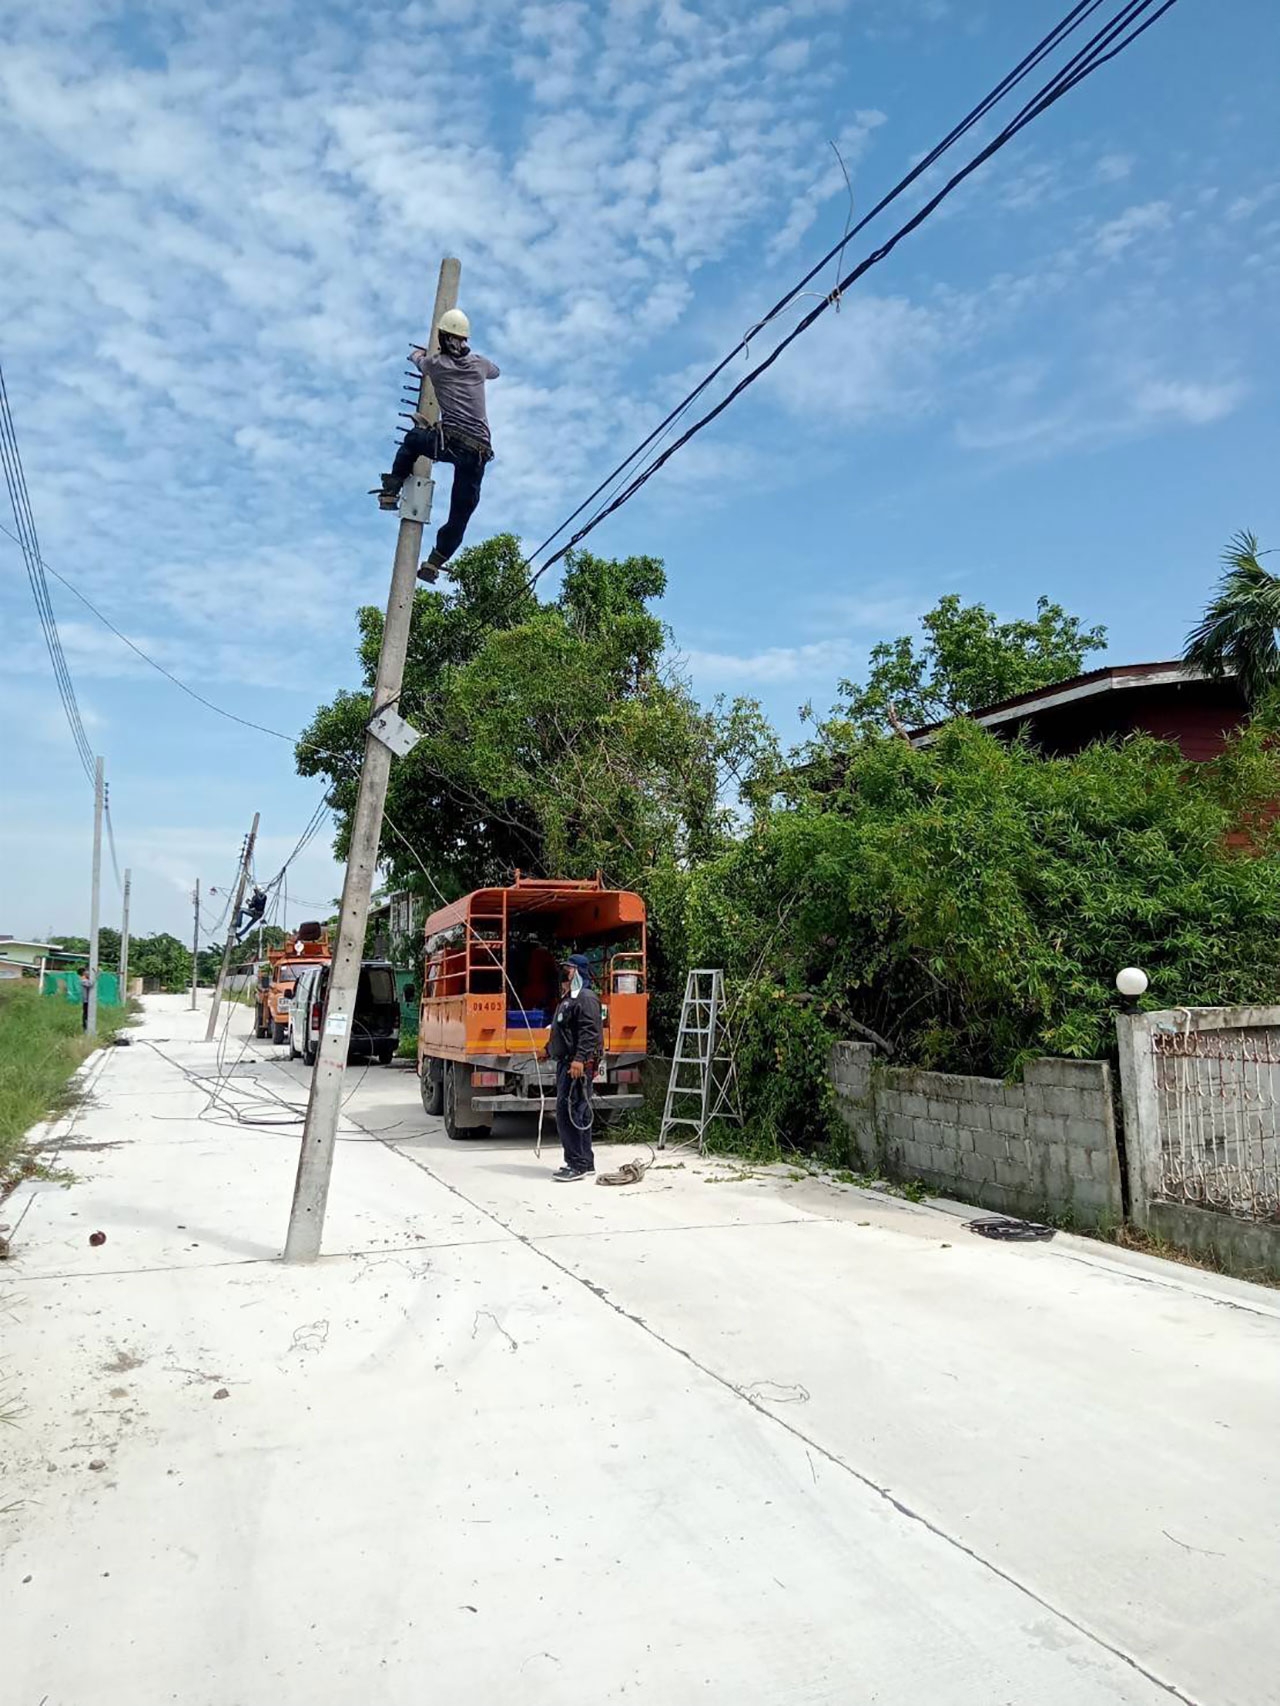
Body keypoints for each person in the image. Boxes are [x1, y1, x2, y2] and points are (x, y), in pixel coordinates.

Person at [372, 308, 499, 581]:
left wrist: (419, 353)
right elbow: (496, 372)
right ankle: (434, 563)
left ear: (441, 337)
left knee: (414, 440)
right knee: (461, 513)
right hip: (479, 452)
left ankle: (391, 491)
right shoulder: (480, 364)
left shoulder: (435, 365)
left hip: (453, 443)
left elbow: (417, 359)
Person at [546, 953, 603, 1182]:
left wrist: (580, 1059)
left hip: (576, 1066)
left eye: (568, 970)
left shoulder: (585, 998)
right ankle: (585, 1162)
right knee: (577, 1111)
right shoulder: (570, 998)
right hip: (567, 1063)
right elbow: (565, 1031)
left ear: (578, 972)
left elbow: (589, 1032)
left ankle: (577, 1164)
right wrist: (548, 1050)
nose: (564, 973)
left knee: (570, 1113)